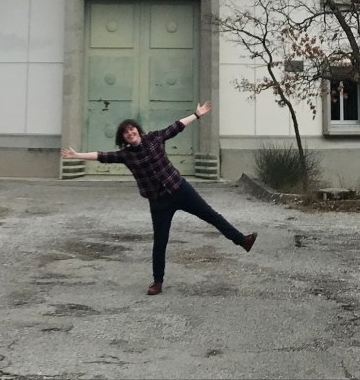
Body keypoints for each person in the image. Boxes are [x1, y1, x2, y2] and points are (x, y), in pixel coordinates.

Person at [61, 99, 257, 295]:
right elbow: (101, 156)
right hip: (158, 202)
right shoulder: (126, 155)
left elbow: (176, 127)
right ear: (124, 138)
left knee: (211, 215)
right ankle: (157, 282)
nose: (130, 133)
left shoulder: (154, 138)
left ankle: (242, 240)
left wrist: (197, 115)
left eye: (132, 129)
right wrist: (77, 155)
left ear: (137, 129)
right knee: (160, 241)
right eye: (126, 133)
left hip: (180, 189)